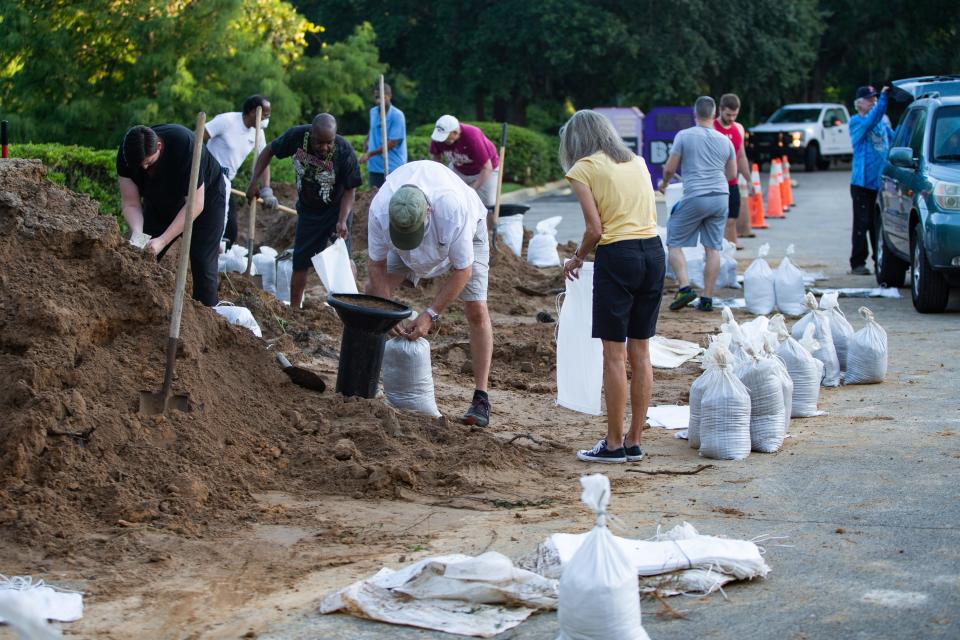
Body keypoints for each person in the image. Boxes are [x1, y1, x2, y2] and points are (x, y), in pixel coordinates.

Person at [559, 110, 664, 464]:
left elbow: (595, 229)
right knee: (641, 352)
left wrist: (576, 258)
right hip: (653, 252)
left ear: (576, 141)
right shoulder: (636, 161)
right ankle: (634, 440)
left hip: (618, 258)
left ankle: (614, 443)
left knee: (614, 355)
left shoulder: (583, 169)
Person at [365, 160, 493, 427]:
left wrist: (430, 314)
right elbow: (376, 268)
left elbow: (462, 270)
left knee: (476, 308)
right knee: (372, 294)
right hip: (412, 247)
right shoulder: (380, 210)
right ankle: (368, 378)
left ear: (429, 212)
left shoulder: (453, 208)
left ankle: (481, 397)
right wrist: (389, 315)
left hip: (464, 235)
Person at [246, 113, 361, 308]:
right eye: (319, 143)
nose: (324, 148)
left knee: (344, 260)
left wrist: (342, 220)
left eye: (329, 143)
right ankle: (294, 309)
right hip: (309, 212)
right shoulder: (297, 137)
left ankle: (348, 307)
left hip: (336, 211)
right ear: (311, 135)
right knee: (300, 262)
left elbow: (351, 190)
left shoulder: (345, 151)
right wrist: (253, 182)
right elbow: (268, 151)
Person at [117, 124, 226, 306]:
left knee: (203, 263)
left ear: (159, 146)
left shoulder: (184, 145)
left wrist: (163, 240)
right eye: (139, 165)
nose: (143, 168)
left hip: (205, 200)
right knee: (141, 257)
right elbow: (131, 203)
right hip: (160, 199)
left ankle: (207, 312)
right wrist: (138, 233)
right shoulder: (126, 155)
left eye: (149, 163)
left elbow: (195, 203)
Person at [658, 96, 736, 312]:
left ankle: (684, 288)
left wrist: (664, 184)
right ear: (714, 115)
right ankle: (707, 298)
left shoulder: (684, 136)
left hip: (695, 196)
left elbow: (670, 168)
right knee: (713, 249)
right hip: (721, 196)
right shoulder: (725, 140)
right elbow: (732, 174)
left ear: (695, 114)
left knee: (674, 241)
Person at [204, 95, 277, 249]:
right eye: (265, 115)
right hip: (206, 177)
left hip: (226, 181)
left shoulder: (258, 133)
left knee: (230, 229)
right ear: (252, 112)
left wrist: (266, 189)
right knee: (205, 219)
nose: (267, 119)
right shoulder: (227, 121)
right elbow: (198, 138)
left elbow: (264, 159)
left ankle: (221, 260)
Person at [849, 85, 893, 275]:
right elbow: (872, 120)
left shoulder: (882, 120)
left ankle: (880, 261)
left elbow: (894, 138)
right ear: (860, 104)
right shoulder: (856, 122)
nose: (873, 101)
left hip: (880, 182)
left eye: (875, 98)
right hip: (862, 183)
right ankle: (858, 263)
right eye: (870, 99)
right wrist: (883, 99)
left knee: (878, 225)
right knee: (862, 224)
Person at [429, 115, 500, 208]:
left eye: (446, 137)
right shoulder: (439, 138)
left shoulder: (472, 136)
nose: (442, 140)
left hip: (485, 170)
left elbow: (487, 167)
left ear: (455, 132)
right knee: (451, 200)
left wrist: (471, 190)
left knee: (488, 205)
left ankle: (489, 221)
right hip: (459, 168)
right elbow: (436, 160)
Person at [713, 93, 754, 248]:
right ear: (721, 109)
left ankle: (731, 245)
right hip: (715, 182)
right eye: (728, 114)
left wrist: (749, 180)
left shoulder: (738, 128)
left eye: (734, 115)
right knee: (716, 219)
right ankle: (719, 247)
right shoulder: (711, 128)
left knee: (731, 218)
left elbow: (741, 156)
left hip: (732, 181)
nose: (731, 118)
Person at [358, 83, 407, 188]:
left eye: (383, 97)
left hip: (393, 166)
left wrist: (370, 154)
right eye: (377, 97)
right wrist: (367, 141)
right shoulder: (373, 112)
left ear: (389, 96)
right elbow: (372, 129)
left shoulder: (397, 115)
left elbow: (393, 143)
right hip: (375, 166)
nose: (379, 101)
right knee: (374, 196)